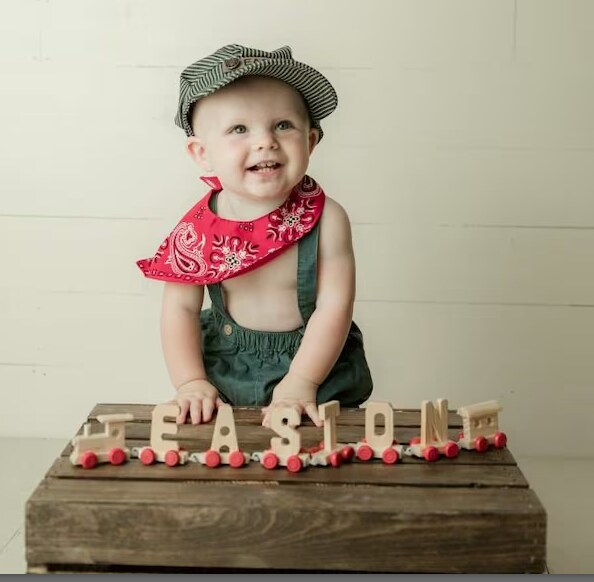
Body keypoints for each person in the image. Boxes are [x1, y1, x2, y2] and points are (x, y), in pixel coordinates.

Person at [137, 44, 373, 428]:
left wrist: (302, 380)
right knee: (225, 461)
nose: (265, 141)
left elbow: (334, 307)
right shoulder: (198, 232)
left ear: (310, 142)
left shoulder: (327, 218)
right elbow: (179, 309)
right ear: (202, 153)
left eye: (283, 125)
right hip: (224, 372)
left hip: (317, 367)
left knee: (321, 456)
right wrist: (191, 381)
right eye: (239, 129)